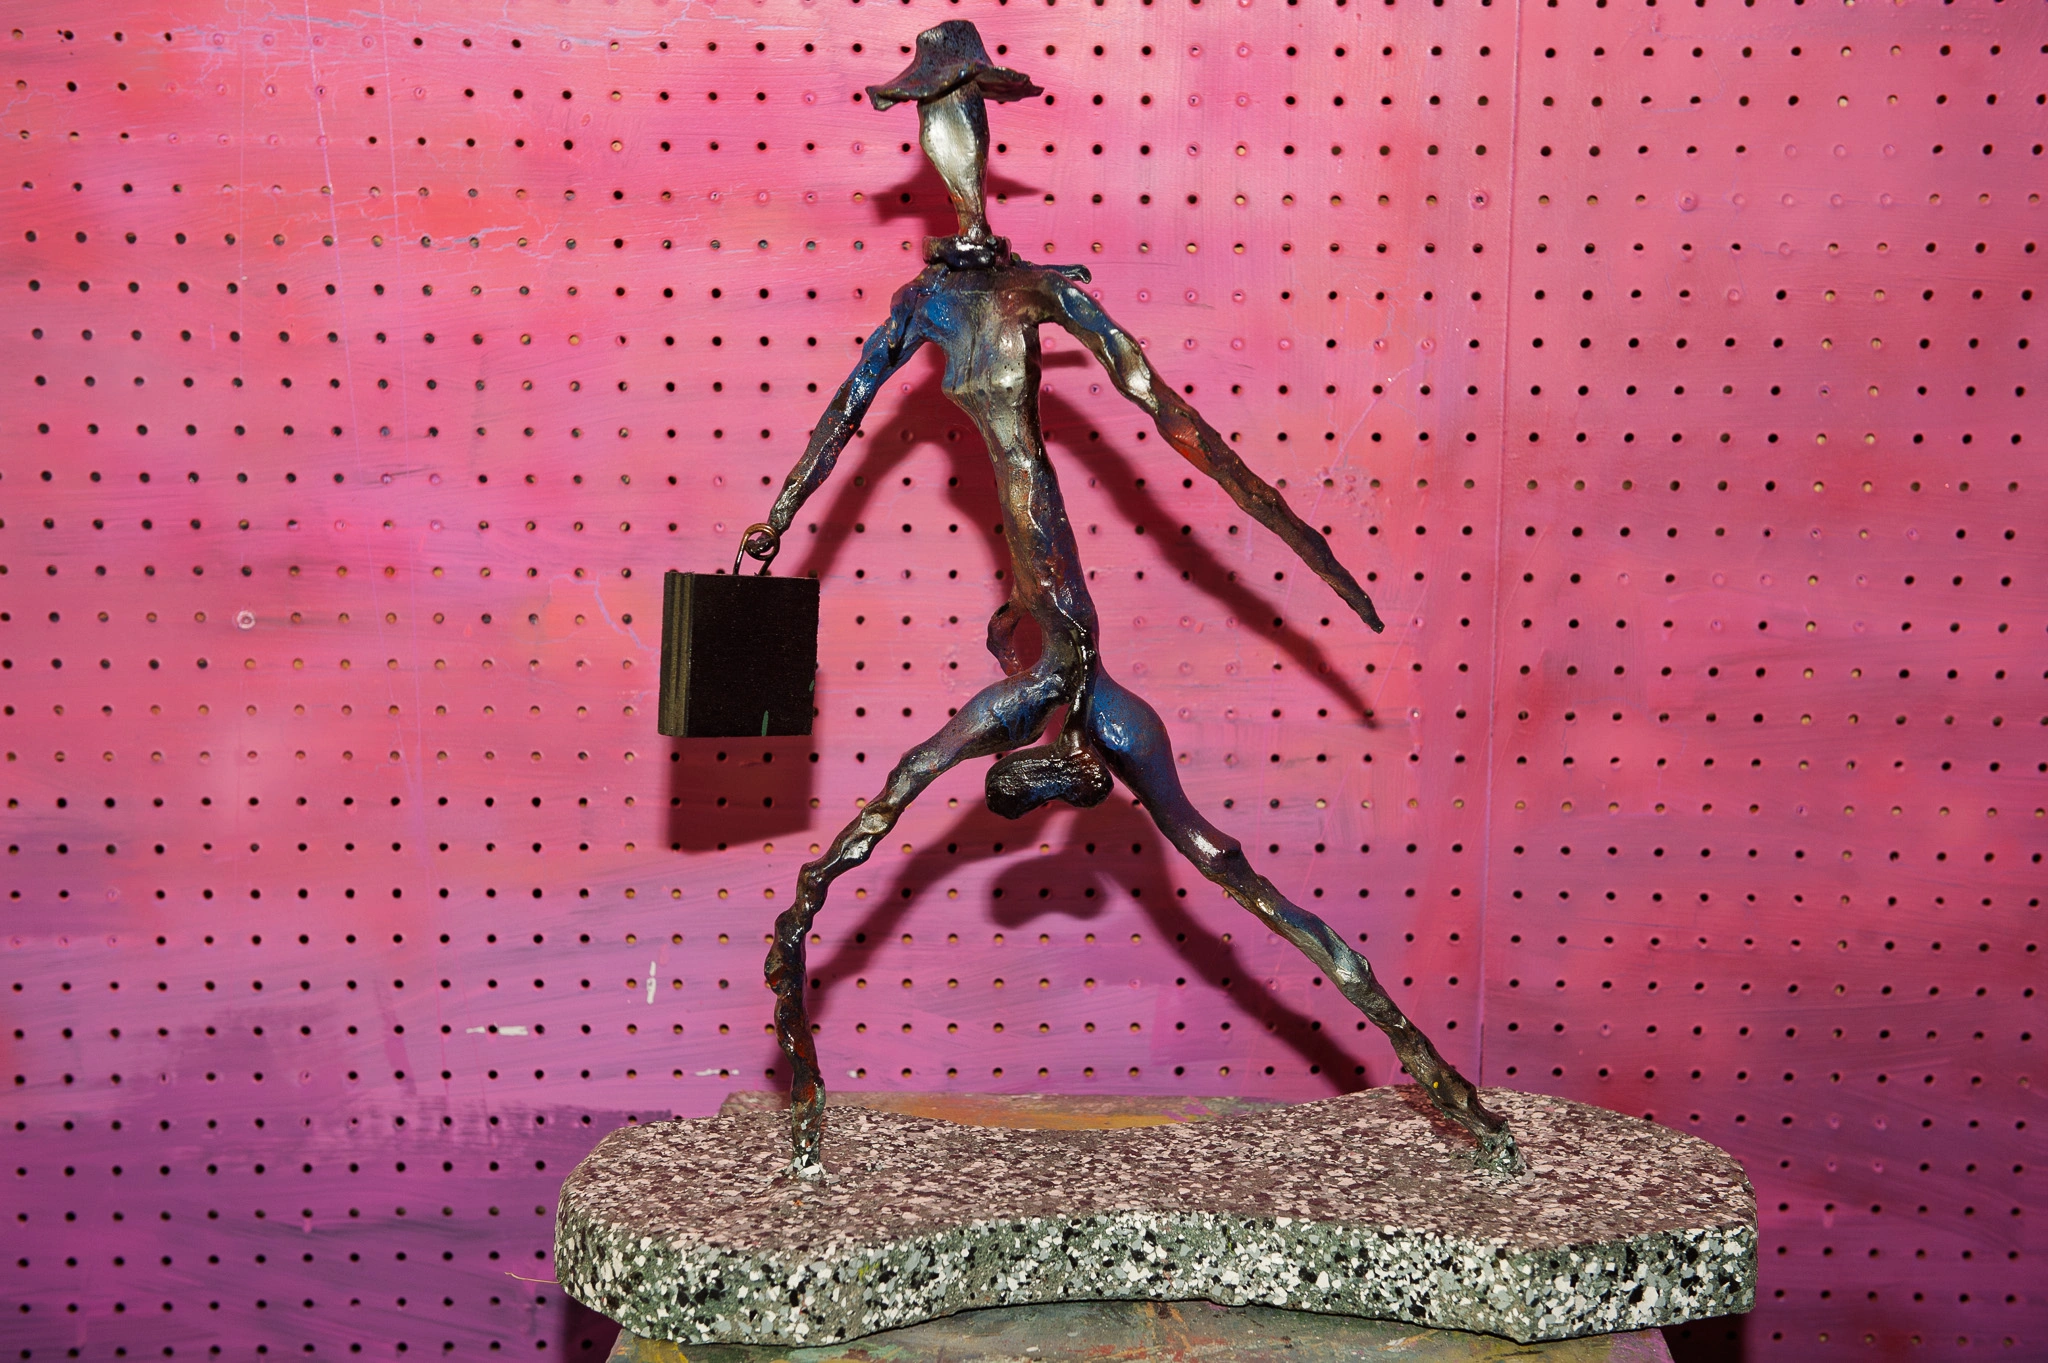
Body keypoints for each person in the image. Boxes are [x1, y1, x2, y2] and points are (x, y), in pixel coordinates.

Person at [747, 20, 1521, 1178]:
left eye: (959, 113)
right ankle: (1439, 1080)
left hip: (1062, 662)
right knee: (1205, 866)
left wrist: (1290, 536)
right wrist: (777, 517)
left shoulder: (1027, 302)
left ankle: (1443, 1087)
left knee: (880, 850)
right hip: (1065, 663)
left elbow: (1173, 419)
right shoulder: (930, 307)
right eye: (937, 115)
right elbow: (843, 418)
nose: (953, 140)